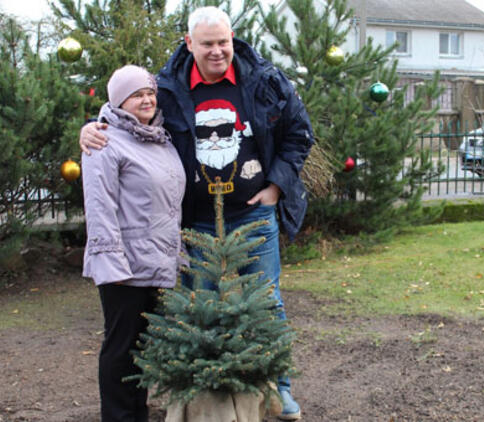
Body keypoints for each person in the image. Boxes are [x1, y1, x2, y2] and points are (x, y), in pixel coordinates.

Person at [80, 6, 314, 421]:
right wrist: (93, 126)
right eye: (207, 43)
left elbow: (299, 133)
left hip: (254, 214)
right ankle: (202, 398)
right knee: (198, 312)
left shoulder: (265, 81)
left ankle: (279, 391)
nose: (218, 51)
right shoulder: (167, 87)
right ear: (189, 43)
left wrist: (276, 186)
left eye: (223, 41)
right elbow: (130, 116)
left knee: (269, 304)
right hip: (194, 223)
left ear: (233, 38)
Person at [81, 65, 186, 422]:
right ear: (119, 101)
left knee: (140, 349)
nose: (146, 100)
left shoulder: (159, 137)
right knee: (121, 347)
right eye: (136, 94)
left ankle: (136, 414)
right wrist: (112, 264)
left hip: (156, 261)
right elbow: (100, 207)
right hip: (124, 266)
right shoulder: (104, 140)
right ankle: (118, 416)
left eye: (149, 93)